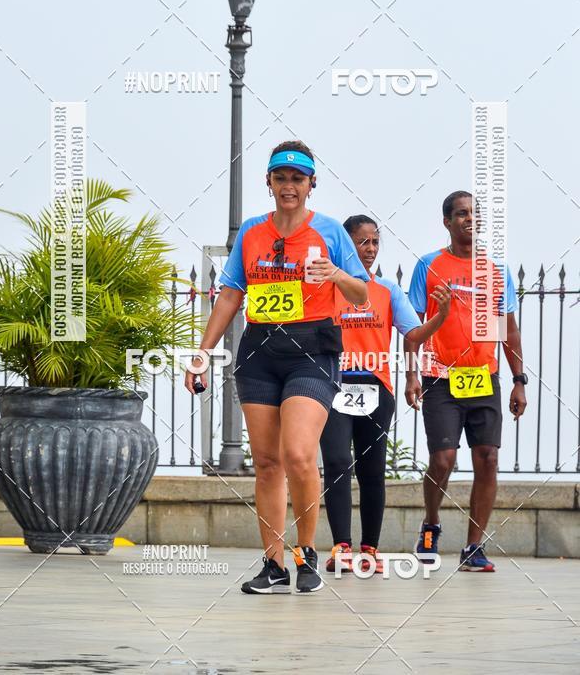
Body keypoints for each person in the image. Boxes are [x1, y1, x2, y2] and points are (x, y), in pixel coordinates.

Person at [185, 140, 369, 593]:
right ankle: (273, 565)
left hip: (312, 349)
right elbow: (230, 294)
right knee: (267, 463)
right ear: (268, 183)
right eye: (281, 177)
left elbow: (361, 294)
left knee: (299, 454)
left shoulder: (329, 232)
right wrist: (202, 351)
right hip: (259, 350)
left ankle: (305, 557)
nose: (290, 186)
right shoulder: (251, 232)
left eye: (298, 179)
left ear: (311, 185)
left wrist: (336, 275)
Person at [320, 215, 451, 574]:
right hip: (333, 385)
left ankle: (370, 550)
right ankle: (341, 547)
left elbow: (413, 335)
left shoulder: (388, 291)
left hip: (376, 388)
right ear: (345, 245)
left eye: (375, 242)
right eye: (363, 242)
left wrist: (440, 317)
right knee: (335, 463)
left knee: (372, 469)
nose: (371, 249)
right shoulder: (326, 287)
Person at [405, 190, 527, 572]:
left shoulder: (496, 271)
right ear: (447, 222)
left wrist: (518, 379)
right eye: (461, 214)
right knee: (443, 459)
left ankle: (474, 547)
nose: (469, 219)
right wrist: (411, 374)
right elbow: (411, 327)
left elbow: (508, 330)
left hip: (484, 377)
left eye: (476, 214)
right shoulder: (429, 266)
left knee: (488, 459)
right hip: (440, 376)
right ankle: (431, 523)